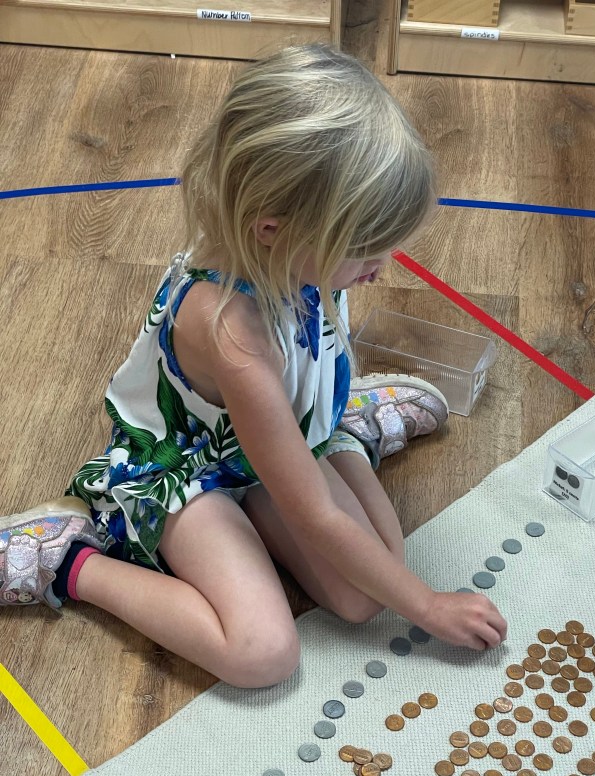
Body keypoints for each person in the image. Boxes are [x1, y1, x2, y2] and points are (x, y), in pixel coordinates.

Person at [0, 44, 507, 686]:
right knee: (262, 653)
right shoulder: (232, 333)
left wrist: (312, 438)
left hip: (271, 441)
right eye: (365, 248)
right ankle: (66, 558)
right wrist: (429, 606)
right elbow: (316, 514)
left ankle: (339, 427)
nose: (383, 267)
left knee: (363, 597)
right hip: (189, 468)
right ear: (271, 229)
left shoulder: (297, 251)